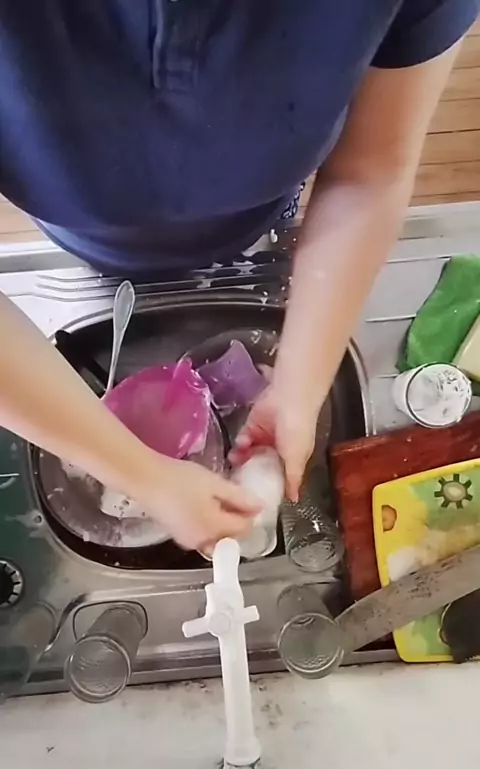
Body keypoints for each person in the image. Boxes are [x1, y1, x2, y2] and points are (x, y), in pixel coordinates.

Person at [0, 1, 478, 554]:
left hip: (261, 218)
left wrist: (299, 388)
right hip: (88, 238)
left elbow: (369, 171)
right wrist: (140, 475)